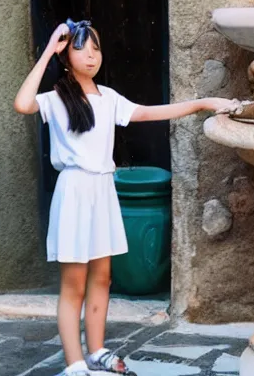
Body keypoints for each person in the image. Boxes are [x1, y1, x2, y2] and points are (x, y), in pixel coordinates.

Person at [14, 19, 239, 376]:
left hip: (103, 191)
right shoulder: (56, 98)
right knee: (74, 284)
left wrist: (203, 104)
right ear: (65, 53)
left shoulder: (109, 98)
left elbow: (150, 113)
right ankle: (74, 364)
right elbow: (22, 103)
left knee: (102, 277)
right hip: (74, 192)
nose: (90, 54)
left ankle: (96, 350)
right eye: (80, 47)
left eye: (96, 47)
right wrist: (48, 51)